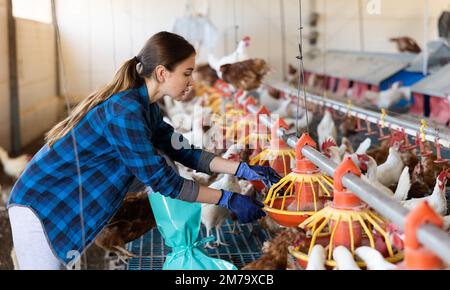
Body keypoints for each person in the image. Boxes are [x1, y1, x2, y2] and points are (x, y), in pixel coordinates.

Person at [7, 31, 280, 270]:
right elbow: (163, 181)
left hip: (66, 204)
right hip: (41, 204)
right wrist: (228, 199)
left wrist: (242, 169)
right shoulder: (125, 112)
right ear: (162, 73)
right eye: (186, 73)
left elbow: (185, 151)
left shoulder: (146, 108)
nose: (190, 82)